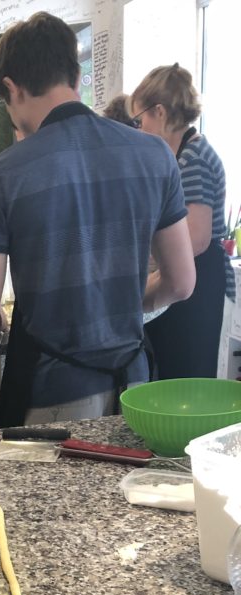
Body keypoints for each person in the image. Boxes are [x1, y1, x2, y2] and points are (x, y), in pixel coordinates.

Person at [0, 12, 196, 427]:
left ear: (12, 89)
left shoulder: (1, 176)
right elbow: (180, 283)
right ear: (75, 75)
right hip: (136, 387)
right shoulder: (154, 155)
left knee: (52, 495)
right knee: (126, 492)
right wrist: (117, 302)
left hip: (51, 394)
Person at [131, 64, 235, 378]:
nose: (138, 129)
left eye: (139, 120)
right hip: (190, 277)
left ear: (159, 112)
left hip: (200, 283)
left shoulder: (193, 157)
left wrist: (150, 273)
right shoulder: (182, 154)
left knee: (187, 376)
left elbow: (197, 238)